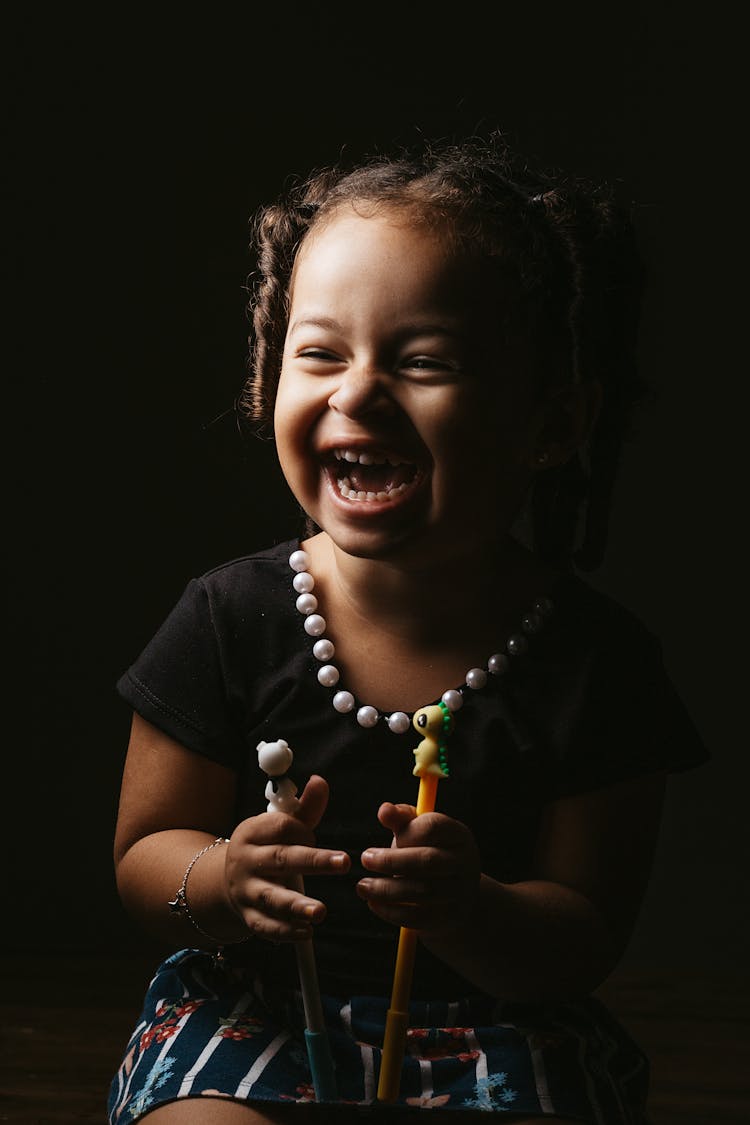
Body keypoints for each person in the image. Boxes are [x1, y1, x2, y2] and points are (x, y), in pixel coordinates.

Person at [108, 134, 709, 1124]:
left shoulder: (598, 663)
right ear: (270, 383)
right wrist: (220, 876)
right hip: (256, 1015)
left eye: (425, 360)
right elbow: (142, 859)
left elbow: (584, 937)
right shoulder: (226, 617)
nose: (358, 392)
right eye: (321, 354)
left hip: (497, 1028)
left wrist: (474, 912)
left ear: (552, 423)